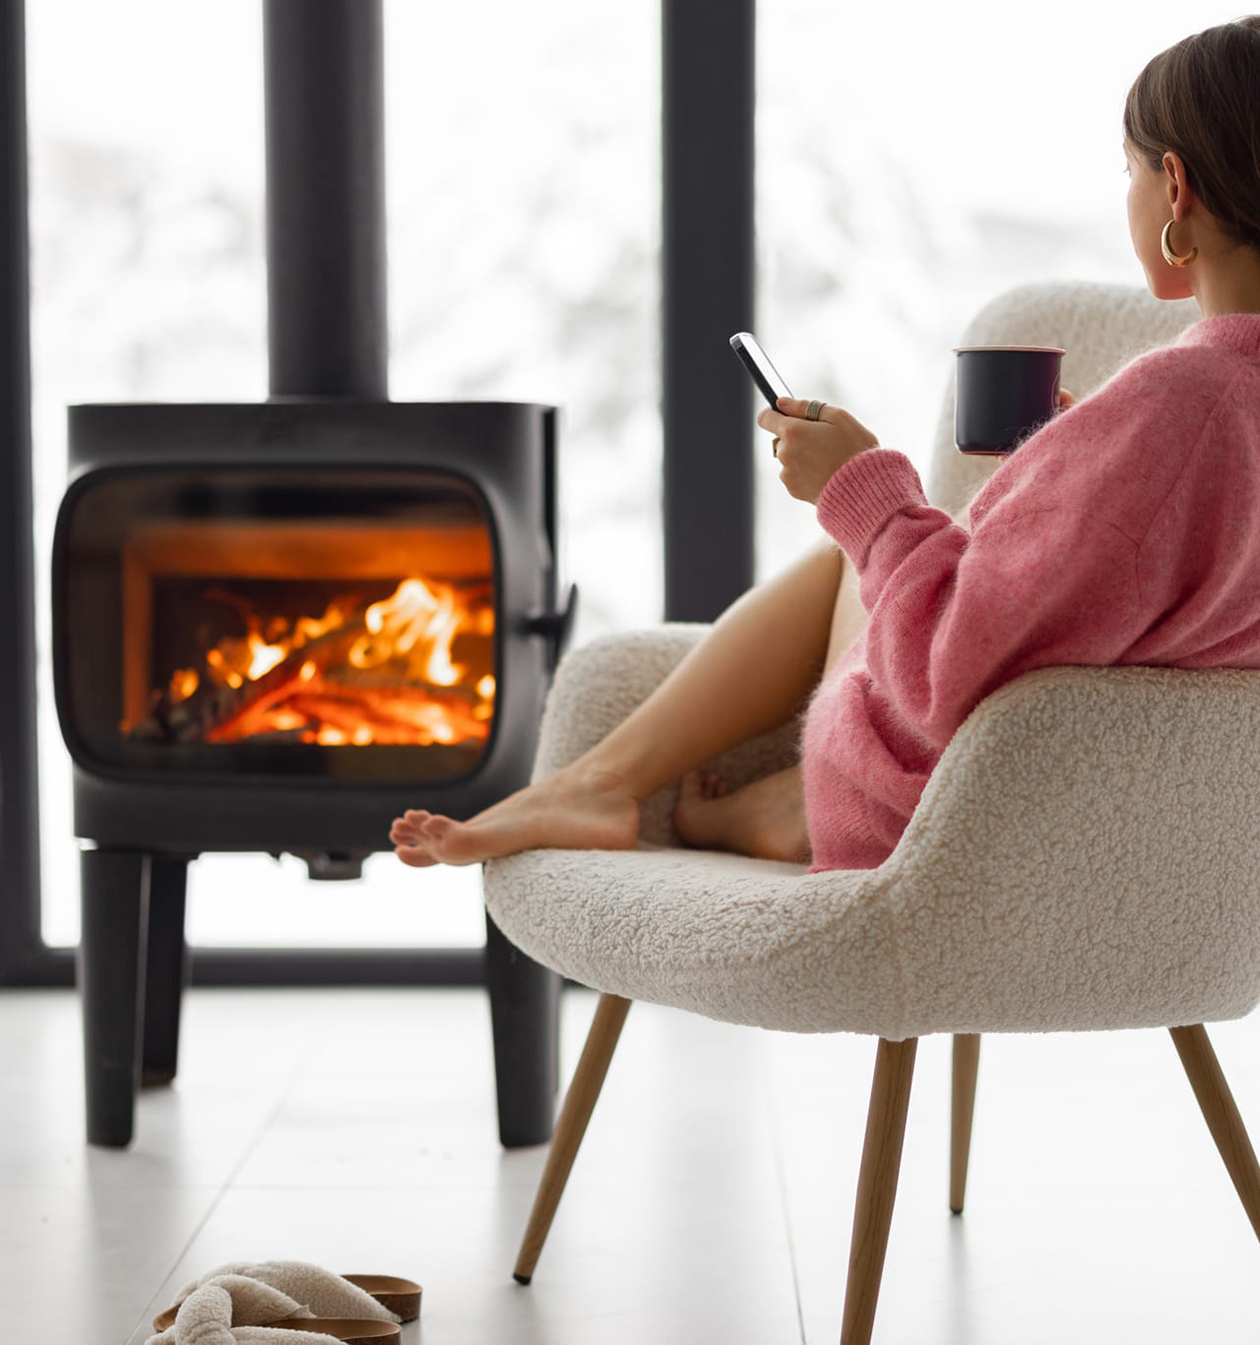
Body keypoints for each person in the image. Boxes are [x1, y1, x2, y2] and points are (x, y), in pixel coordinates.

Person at [391, 16, 1260, 875]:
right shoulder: (1210, 408)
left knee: (854, 543)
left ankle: (631, 787)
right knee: (871, 542)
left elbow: (941, 667)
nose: (1128, 197)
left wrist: (860, 491)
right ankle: (711, 796)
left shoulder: (1177, 401)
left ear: (1176, 187)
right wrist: (1072, 470)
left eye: (1129, 172)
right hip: (1149, 838)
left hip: (966, 815)